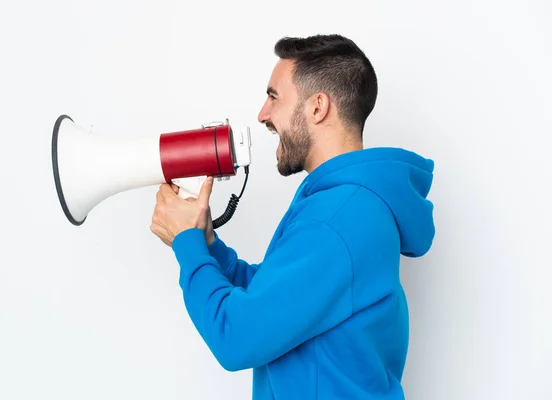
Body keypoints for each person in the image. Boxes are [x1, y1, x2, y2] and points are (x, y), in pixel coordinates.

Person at [150, 33, 435, 400]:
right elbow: (273, 296)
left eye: (273, 97)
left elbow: (236, 338)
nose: (262, 114)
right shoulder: (344, 207)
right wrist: (206, 243)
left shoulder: (336, 221)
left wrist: (187, 246)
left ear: (317, 107)